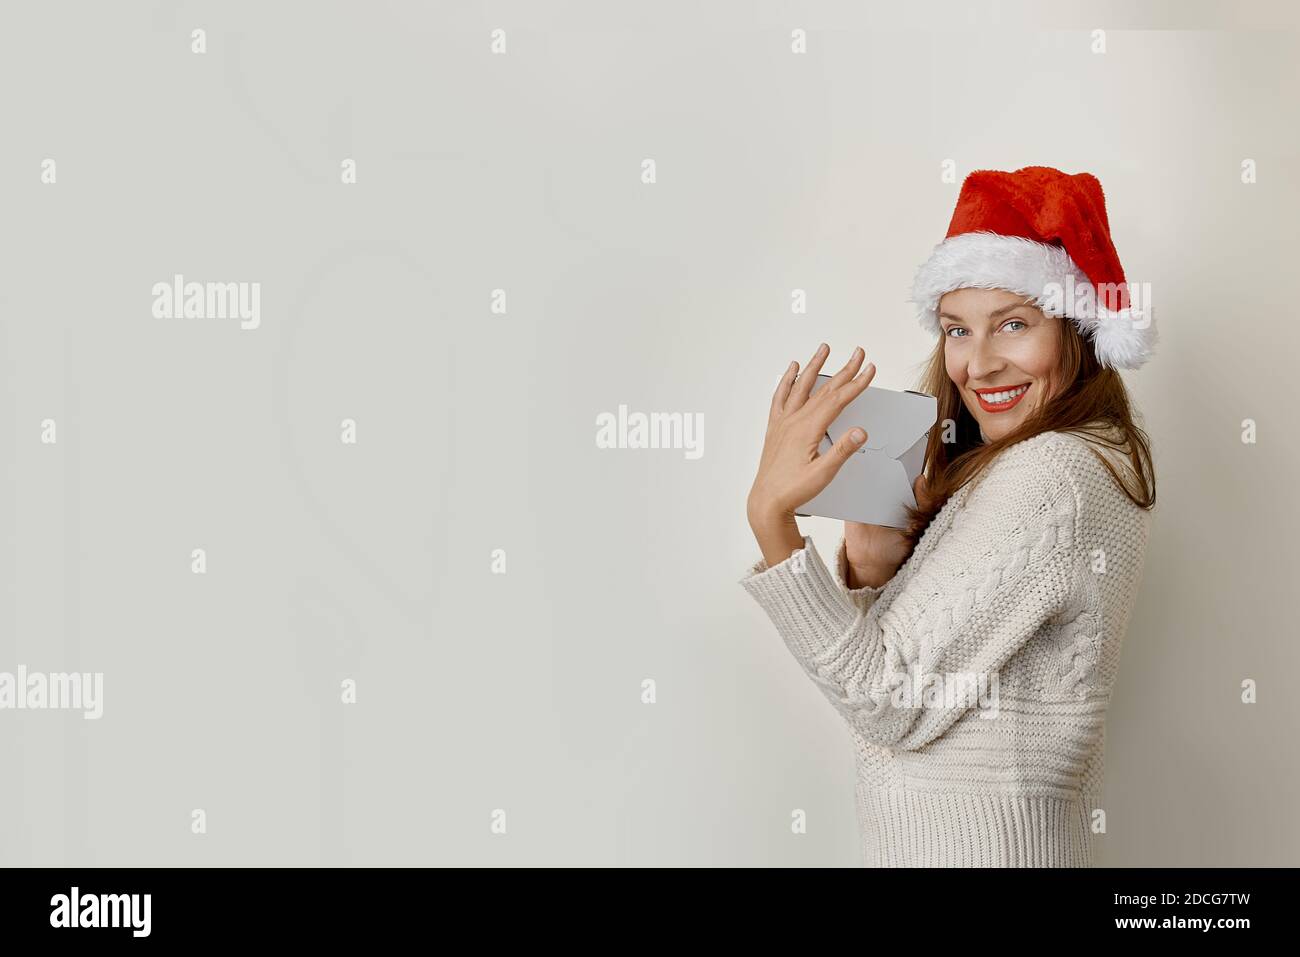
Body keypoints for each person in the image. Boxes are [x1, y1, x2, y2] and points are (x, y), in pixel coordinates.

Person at [740, 166, 1157, 867]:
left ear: (1078, 330)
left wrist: (771, 521)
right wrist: (872, 571)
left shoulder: (1049, 474)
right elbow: (923, 692)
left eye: (1014, 325)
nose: (979, 364)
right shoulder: (1057, 463)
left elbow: (887, 696)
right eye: (957, 330)